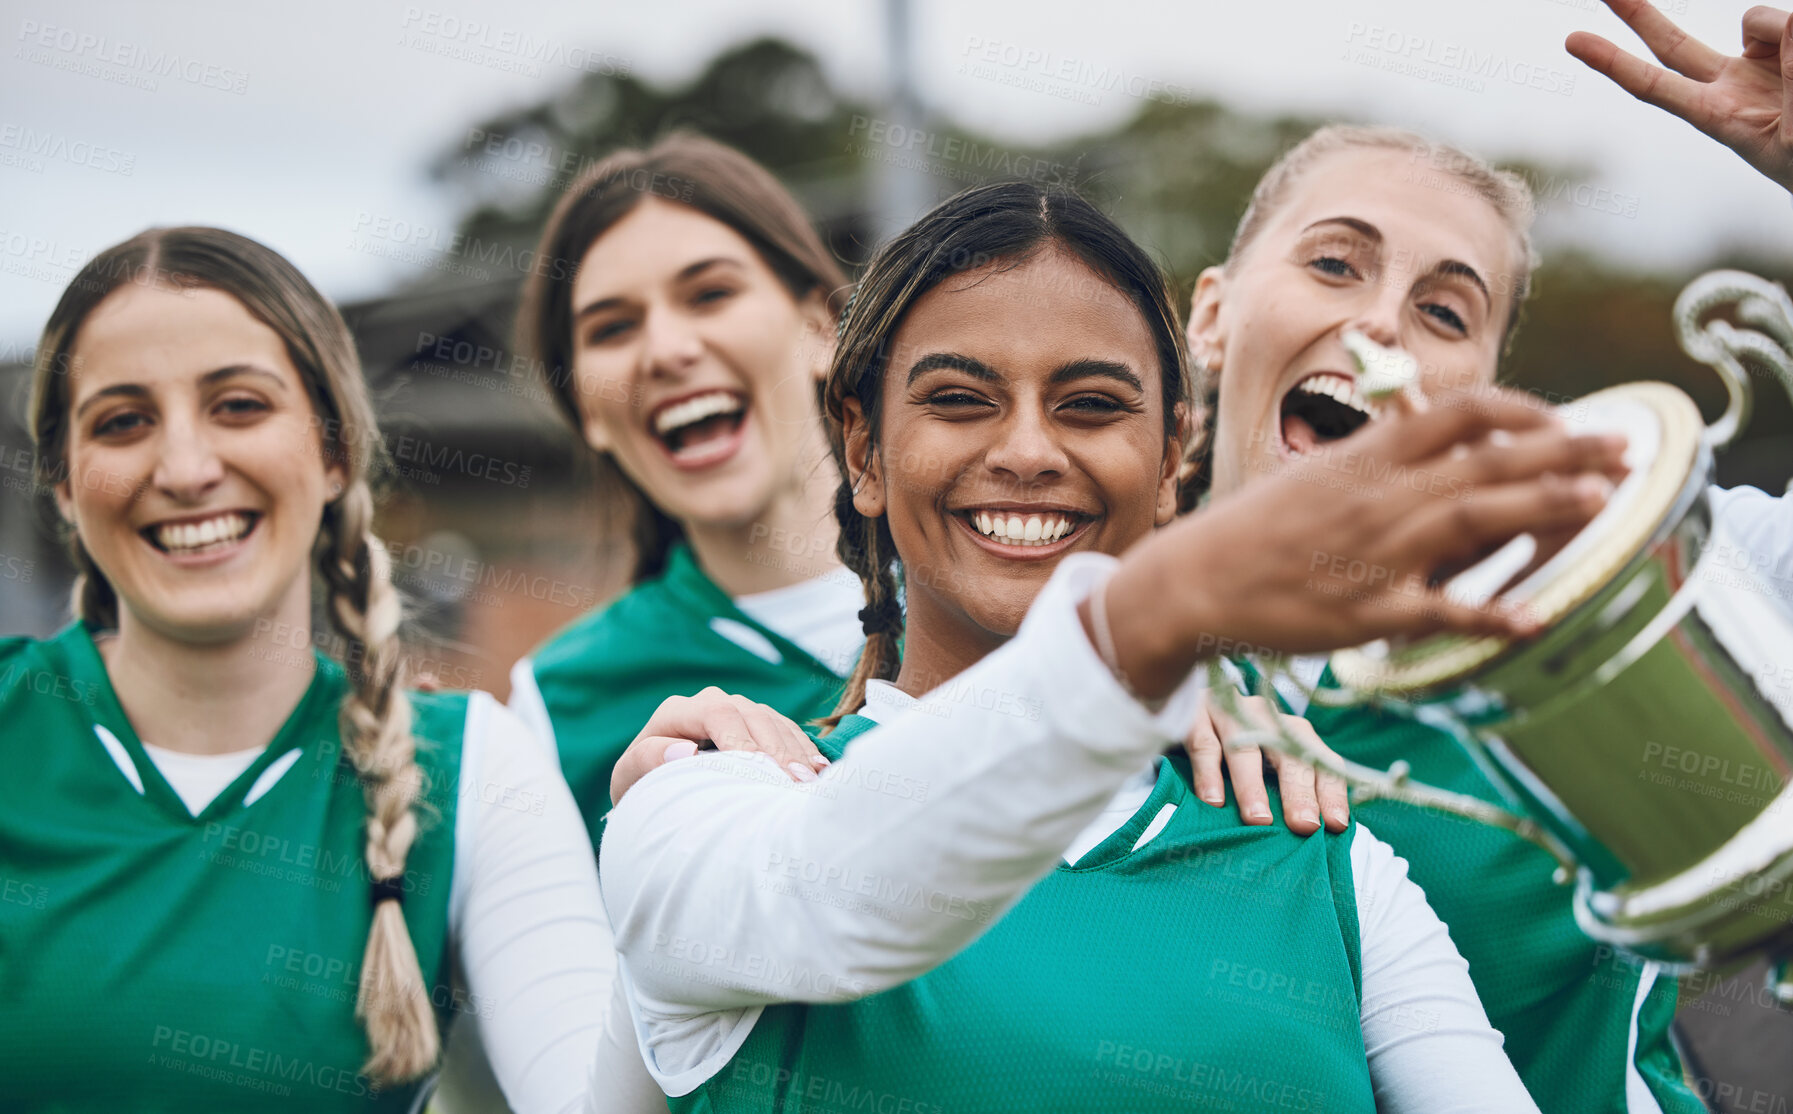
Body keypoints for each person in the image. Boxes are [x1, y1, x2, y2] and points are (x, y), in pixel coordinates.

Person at [601, 180, 1630, 1111]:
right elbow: (837, 895)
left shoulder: (1330, 865)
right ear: (863, 449)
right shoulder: (703, 803)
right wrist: (1146, 625)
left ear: (1170, 456)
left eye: (1091, 406)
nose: (1025, 452)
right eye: (958, 399)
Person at [0, 226, 783, 1114]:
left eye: (239, 406)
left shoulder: (475, 768)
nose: (185, 468)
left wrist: (663, 886)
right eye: (124, 421)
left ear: (334, 451)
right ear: (64, 480)